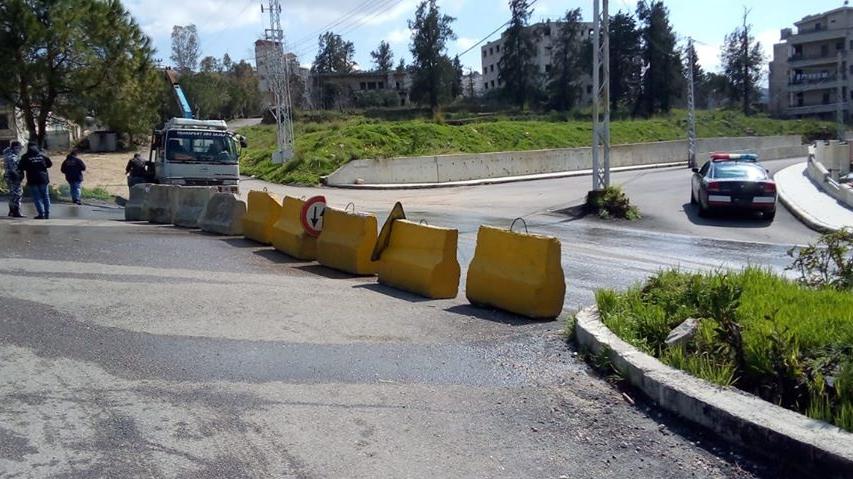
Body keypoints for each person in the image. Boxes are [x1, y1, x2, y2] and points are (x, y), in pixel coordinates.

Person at [17, 141, 52, 220]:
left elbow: (21, 167)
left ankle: (41, 214)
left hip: (32, 179)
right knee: (45, 196)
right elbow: (50, 164)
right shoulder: (42, 155)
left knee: (37, 197)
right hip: (43, 178)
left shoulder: (25, 157)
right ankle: (47, 213)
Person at [3, 141, 24, 217]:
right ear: (16, 148)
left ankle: (12, 211)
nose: (20, 150)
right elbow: (13, 169)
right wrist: (18, 177)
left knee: (13, 194)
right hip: (13, 177)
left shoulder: (7, 154)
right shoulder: (12, 157)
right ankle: (16, 211)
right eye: (19, 148)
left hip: (9, 177)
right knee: (17, 194)